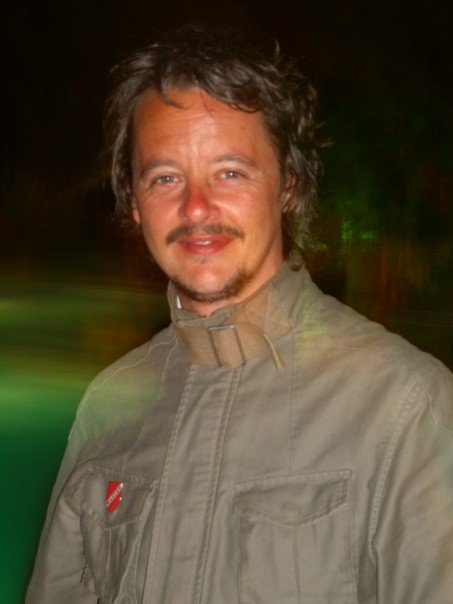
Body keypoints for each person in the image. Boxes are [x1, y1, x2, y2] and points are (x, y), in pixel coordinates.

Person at [27, 24, 452, 603]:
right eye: (165, 177)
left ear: (288, 185)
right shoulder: (108, 404)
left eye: (230, 172)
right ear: (132, 200)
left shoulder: (404, 406)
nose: (196, 206)